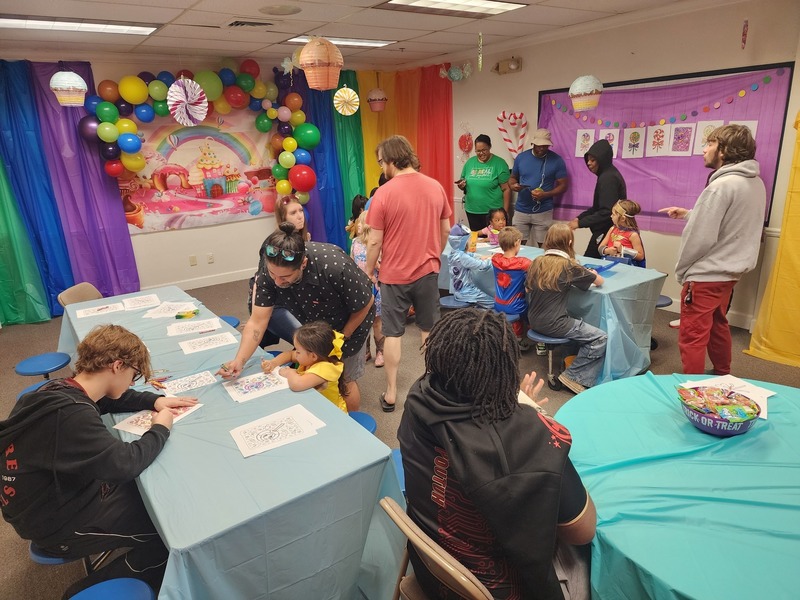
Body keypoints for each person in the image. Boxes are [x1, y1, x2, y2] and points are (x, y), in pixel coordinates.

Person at [398, 308, 596, 600]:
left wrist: (510, 405)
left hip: (432, 566)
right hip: (495, 589)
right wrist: (530, 417)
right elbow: (583, 531)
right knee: (590, 557)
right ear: (507, 367)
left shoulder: (419, 397)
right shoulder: (535, 443)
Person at [0, 324, 198, 598]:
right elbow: (125, 464)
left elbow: (108, 400)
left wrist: (155, 401)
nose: (132, 383)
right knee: (172, 529)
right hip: (57, 526)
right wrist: (160, 428)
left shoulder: (58, 390)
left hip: (45, 503)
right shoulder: (72, 417)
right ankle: (91, 588)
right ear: (117, 366)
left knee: (155, 498)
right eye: (133, 375)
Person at [221, 223, 375, 412]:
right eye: (273, 275)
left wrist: (342, 337)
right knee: (314, 371)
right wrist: (239, 361)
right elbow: (257, 321)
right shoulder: (269, 270)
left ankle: (351, 423)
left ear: (303, 264)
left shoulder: (334, 265)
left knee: (345, 378)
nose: (277, 282)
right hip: (315, 321)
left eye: (285, 277)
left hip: (350, 321)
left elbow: (366, 302)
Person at [659, 124, 766, 375]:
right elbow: (732, 221)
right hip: (729, 274)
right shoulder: (755, 183)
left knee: (692, 337)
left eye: (709, 144)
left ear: (724, 150)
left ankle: (693, 389)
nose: (704, 150)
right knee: (718, 325)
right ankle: (722, 374)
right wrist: (689, 214)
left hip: (706, 277)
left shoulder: (720, 186)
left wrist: (682, 272)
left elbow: (699, 238)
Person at [365, 135, 452, 412]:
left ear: (392, 159)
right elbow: (446, 230)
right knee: (429, 330)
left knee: (393, 334)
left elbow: (374, 241)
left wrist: (368, 270)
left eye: (381, 162)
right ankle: (433, 389)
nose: (382, 168)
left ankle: (391, 393)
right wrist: (434, 255)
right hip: (427, 272)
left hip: (393, 276)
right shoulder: (435, 186)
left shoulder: (383, 193)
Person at [527, 223, 607, 394]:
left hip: (533, 319)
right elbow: (599, 281)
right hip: (554, 323)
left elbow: (528, 288)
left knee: (576, 323)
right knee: (600, 338)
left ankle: (570, 361)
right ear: (569, 242)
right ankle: (573, 376)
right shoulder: (569, 266)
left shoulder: (536, 262)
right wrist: (590, 272)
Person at [261, 321, 348, 413]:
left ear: (313, 356)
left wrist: (289, 372)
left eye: (298, 351)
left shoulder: (325, 368)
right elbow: (290, 355)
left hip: (330, 412)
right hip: (314, 404)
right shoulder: (311, 358)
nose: (295, 353)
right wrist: (273, 363)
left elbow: (297, 384)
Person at [509, 128, 569, 247]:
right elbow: (512, 178)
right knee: (516, 245)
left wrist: (546, 194)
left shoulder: (557, 160)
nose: (541, 148)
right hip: (521, 209)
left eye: (545, 146)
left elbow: (563, 185)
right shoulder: (521, 158)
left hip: (543, 210)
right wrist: (513, 185)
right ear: (533, 143)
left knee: (545, 246)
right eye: (539, 145)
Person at [568, 139, 627, 258]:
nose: (588, 163)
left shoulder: (608, 178)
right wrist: (579, 218)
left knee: (589, 262)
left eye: (593, 160)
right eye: (588, 160)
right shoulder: (607, 175)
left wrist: (580, 223)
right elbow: (597, 208)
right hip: (606, 230)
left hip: (607, 231)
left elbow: (606, 212)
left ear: (602, 160)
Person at [350, 210, 385, 367]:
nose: (358, 225)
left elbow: (383, 267)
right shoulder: (355, 243)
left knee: (376, 322)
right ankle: (366, 351)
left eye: (361, 222)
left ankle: (380, 351)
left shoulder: (377, 244)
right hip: (360, 288)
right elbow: (352, 262)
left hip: (375, 288)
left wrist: (376, 263)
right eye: (358, 222)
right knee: (362, 321)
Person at [456, 134, 511, 231]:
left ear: (490, 147)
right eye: (478, 151)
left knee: (494, 238)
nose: (481, 153)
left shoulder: (500, 163)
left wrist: (505, 213)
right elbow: (464, 183)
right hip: (472, 210)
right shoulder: (469, 163)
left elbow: (506, 189)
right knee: (477, 238)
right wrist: (462, 186)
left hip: (493, 213)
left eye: (484, 150)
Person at [492, 226, 533, 346]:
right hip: (516, 307)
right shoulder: (523, 263)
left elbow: (494, 258)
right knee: (531, 310)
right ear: (517, 243)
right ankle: (529, 335)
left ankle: (515, 334)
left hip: (498, 304)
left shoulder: (495, 259)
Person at [446, 223, 494, 308]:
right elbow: (481, 265)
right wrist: (492, 260)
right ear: (463, 242)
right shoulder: (462, 257)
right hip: (467, 293)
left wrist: (482, 257)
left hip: (458, 291)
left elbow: (470, 255)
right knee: (493, 302)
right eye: (469, 240)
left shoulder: (454, 253)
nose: (471, 241)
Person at [598, 199, 646, 267]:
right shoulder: (612, 229)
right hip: (609, 265)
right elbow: (600, 248)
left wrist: (623, 250)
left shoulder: (633, 235)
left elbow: (641, 256)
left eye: (613, 214)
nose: (611, 216)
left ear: (623, 219)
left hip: (625, 268)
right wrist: (607, 250)